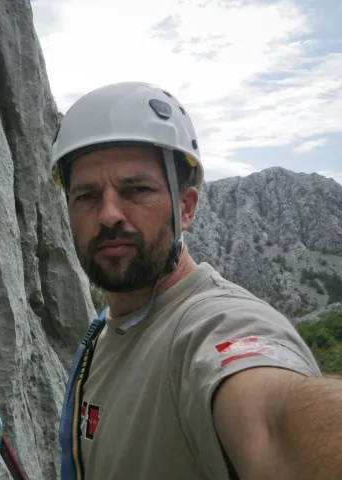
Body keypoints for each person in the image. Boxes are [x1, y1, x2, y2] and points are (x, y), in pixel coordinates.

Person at [51, 81, 342, 480]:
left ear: (186, 208)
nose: (109, 215)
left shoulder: (212, 327)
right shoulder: (107, 331)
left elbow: (274, 424)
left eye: (136, 190)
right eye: (86, 196)